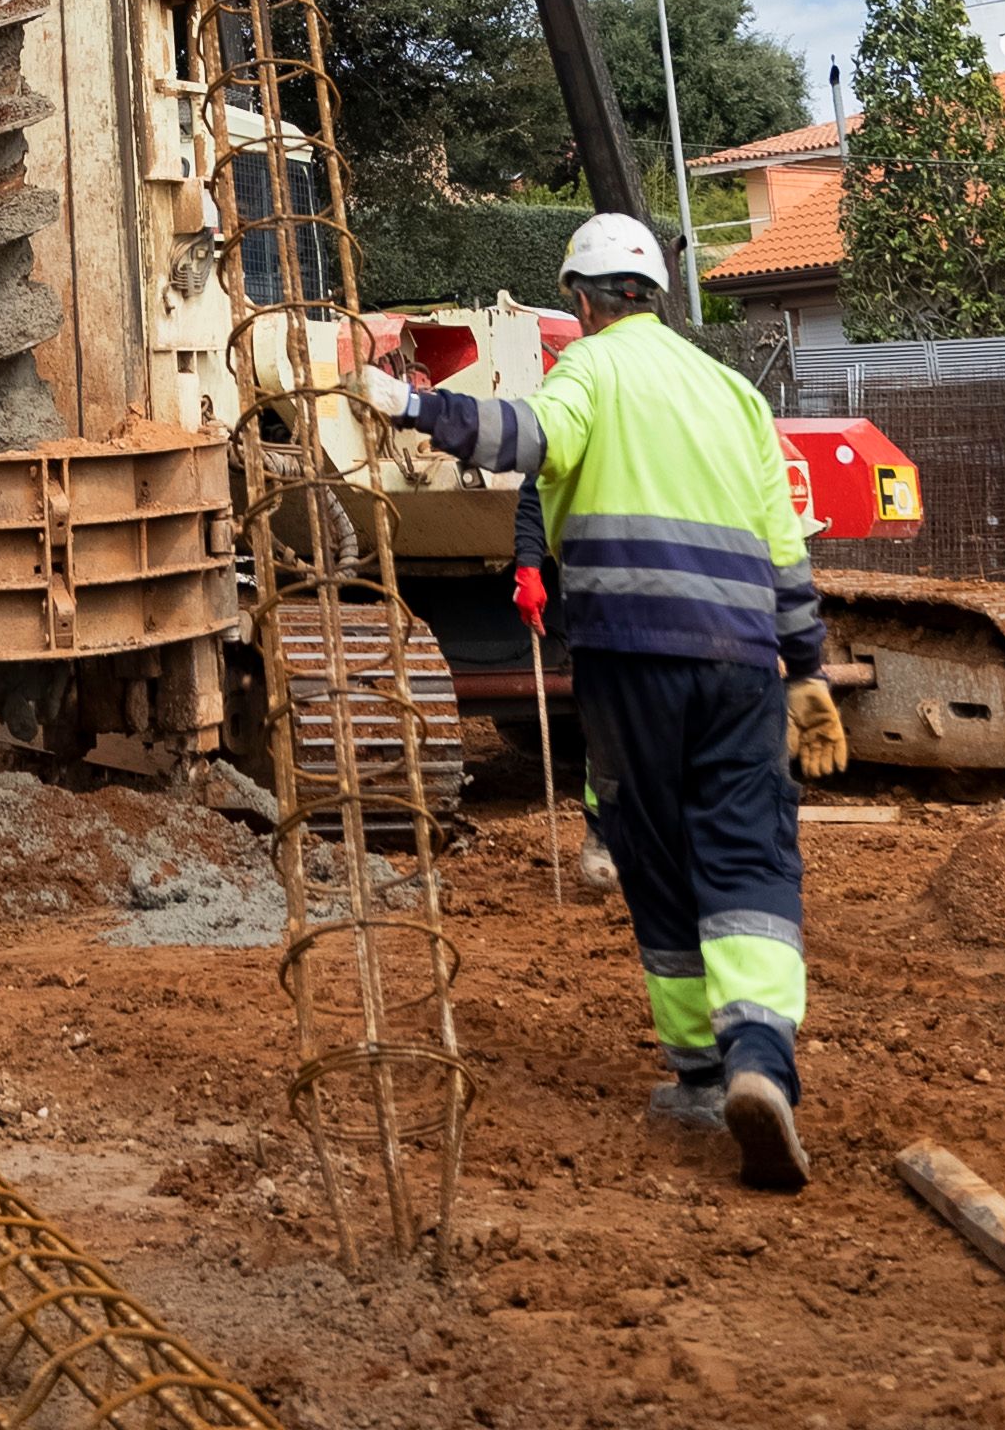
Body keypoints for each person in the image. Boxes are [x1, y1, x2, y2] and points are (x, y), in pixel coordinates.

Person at [345, 212, 845, 1192]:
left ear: (581, 300)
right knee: (747, 848)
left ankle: (701, 1074)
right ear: (654, 293)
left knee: (653, 853)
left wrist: (402, 400)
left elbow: (517, 437)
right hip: (742, 663)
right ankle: (761, 1062)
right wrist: (811, 670)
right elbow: (785, 546)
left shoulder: (589, 375)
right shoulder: (734, 393)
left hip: (627, 660)